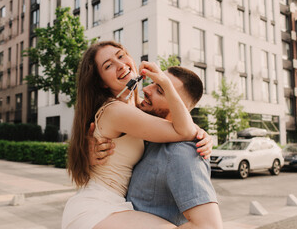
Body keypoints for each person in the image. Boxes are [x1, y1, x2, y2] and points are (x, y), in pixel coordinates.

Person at [62, 41, 207, 229]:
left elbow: (177, 123)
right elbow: (184, 131)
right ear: (101, 82)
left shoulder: (135, 107)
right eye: (108, 65)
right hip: (96, 208)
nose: (120, 64)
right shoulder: (116, 111)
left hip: (113, 205)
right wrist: (164, 81)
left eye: (121, 55)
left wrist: (202, 133)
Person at [91, 66, 222, 228]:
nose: (146, 89)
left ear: (180, 108)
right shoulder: (147, 137)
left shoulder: (183, 151)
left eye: (160, 90)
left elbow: (209, 226)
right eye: (152, 83)